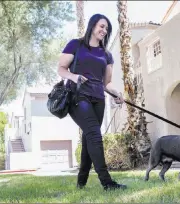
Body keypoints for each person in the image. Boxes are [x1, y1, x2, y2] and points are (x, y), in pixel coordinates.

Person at [57, 14, 127, 191]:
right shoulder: (76, 45)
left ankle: (81, 183)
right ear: (92, 25)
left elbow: (106, 83)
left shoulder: (106, 55)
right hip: (78, 96)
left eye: (106, 29)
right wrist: (74, 76)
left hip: (98, 99)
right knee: (95, 135)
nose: (104, 30)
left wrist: (116, 93)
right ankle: (107, 182)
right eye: (101, 26)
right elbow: (61, 68)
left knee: (89, 139)